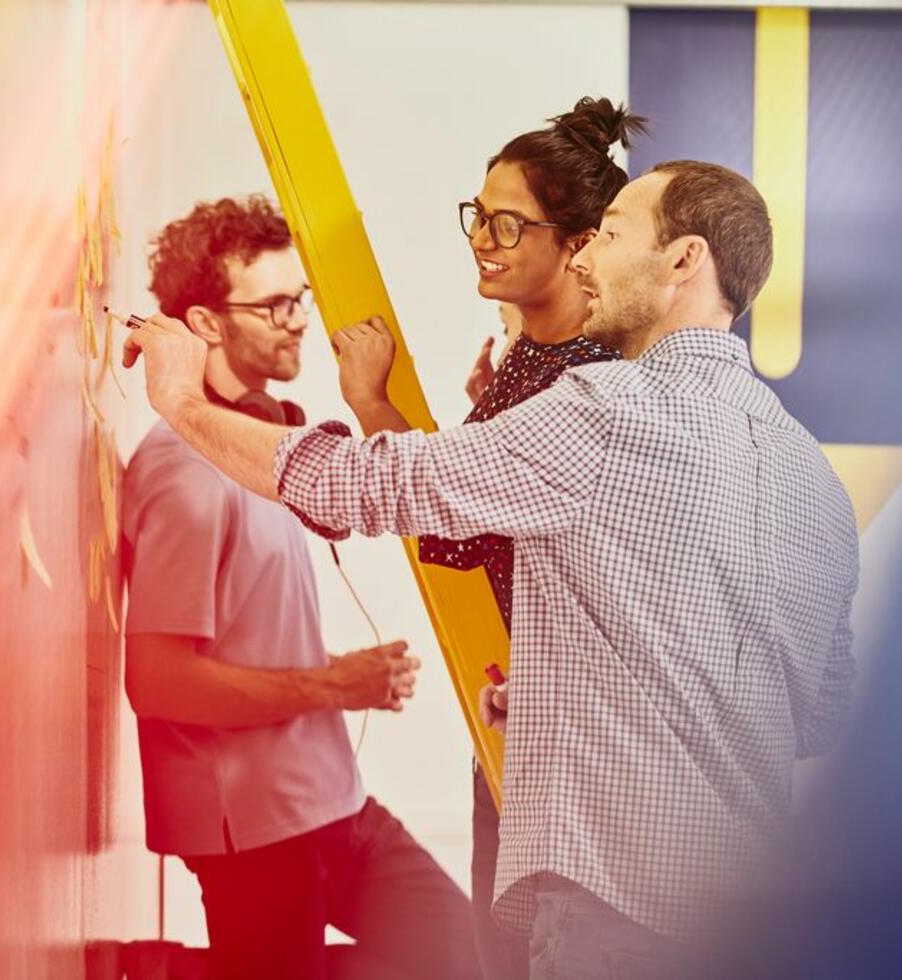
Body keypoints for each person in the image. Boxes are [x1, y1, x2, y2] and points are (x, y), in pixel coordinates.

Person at [123, 161, 860, 978]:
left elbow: (371, 483)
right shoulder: (807, 473)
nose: (584, 258)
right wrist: (584, 691)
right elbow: (818, 712)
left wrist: (184, 404)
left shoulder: (604, 412)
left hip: (617, 911)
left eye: (610, 235)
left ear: (684, 261)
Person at [121, 196, 479, 980]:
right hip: (251, 830)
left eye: (299, 298)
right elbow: (156, 680)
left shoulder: (263, 441)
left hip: (328, 801)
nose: (296, 321)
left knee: (460, 953)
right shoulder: (181, 476)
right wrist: (333, 684)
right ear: (205, 324)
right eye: (272, 304)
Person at [333, 97, 643, 979]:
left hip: (571, 743)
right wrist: (483, 409)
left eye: (509, 224)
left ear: (577, 244)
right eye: (478, 214)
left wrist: (370, 404)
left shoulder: (583, 383)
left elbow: (454, 520)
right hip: (521, 712)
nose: (483, 239)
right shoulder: (535, 359)